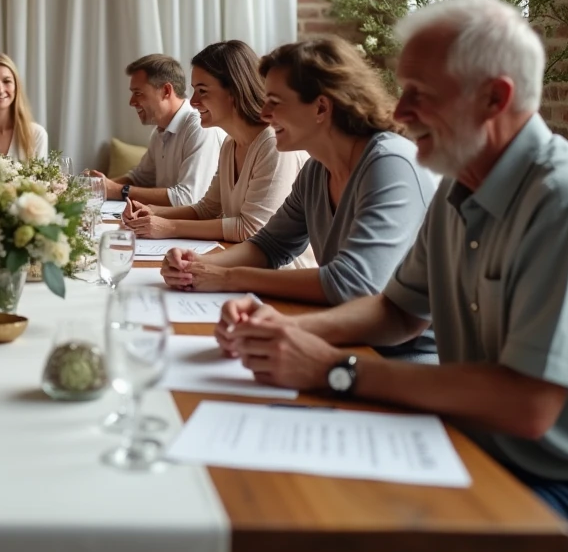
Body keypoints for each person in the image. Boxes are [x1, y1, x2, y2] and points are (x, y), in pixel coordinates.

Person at [215, 0, 568, 552]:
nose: (399, 109)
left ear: (494, 99)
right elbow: (398, 310)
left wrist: (335, 370)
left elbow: (527, 406)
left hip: (567, 498)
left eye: (421, 92)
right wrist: (287, 331)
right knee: (276, 502)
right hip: (468, 449)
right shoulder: (457, 187)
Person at [161, 36, 437, 360]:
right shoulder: (316, 169)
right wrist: (197, 265)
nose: (264, 113)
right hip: (344, 340)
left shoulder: (390, 163)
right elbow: (270, 246)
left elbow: (352, 284)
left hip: (401, 357)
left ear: (321, 107)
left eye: (275, 102)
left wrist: (228, 277)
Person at [122, 40, 312, 266]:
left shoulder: (272, 144)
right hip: (242, 265)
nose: (193, 101)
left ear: (234, 91)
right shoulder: (230, 144)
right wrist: (153, 213)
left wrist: (169, 226)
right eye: (194, 90)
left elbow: (250, 228)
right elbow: (207, 209)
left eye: (202, 91)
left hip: (281, 275)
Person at [87, 54, 224, 205]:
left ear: (166, 91)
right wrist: (96, 186)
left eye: (138, 93)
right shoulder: (159, 132)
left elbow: (188, 198)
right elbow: (139, 178)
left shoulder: (199, 127)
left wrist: (118, 190)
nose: (132, 102)